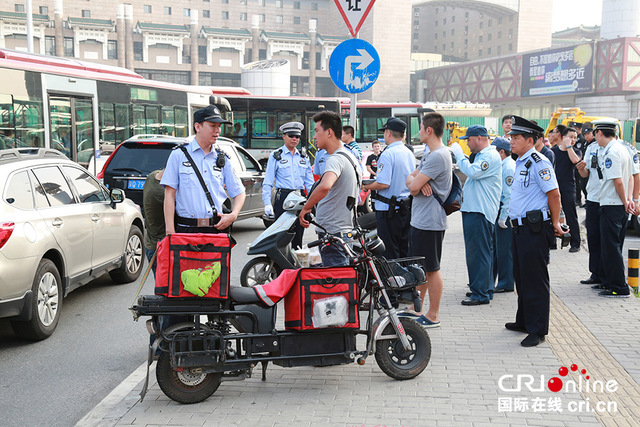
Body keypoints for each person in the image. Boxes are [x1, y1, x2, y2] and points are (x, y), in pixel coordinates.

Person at [506, 115, 566, 347]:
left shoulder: (539, 162)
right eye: (511, 137)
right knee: (521, 277)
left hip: (535, 228)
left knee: (535, 279)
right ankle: (524, 320)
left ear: (530, 140)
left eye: (516, 137)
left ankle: (538, 329)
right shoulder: (521, 160)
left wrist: (555, 223)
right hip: (519, 228)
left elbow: (554, 194)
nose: (511, 141)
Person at [161, 105, 246, 235]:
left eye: (219, 126)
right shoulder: (179, 155)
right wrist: (170, 231)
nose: (217, 130)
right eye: (212, 126)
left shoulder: (222, 158)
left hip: (215, 229)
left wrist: (233, 215)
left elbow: (239, 192)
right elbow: (169, 194)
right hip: (186, 230)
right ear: (198, 127)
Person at [405, 112, 452, 328]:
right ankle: (417, 308)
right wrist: (416, 181)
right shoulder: (430, 154)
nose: (419, 132)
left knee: (432, 268)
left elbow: (413, 186)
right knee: (422, 267)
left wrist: (416, 182)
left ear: (429, 130)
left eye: (421, 128)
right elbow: (410, 179)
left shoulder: (437, 156)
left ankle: (433, 315)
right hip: (421, 220)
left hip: (430, 221)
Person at [299, 111, 361, 267]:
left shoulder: (335, 158)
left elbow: (325, 186)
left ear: (329, 132)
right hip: (343, 231)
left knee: (337, 285)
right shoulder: (349, 156)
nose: (314, 137)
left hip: (334, 235)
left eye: (316, 131)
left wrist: (306, 208)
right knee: (343, 281)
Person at [450, 125, 502, 306]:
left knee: (477, 254)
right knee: (483, 252)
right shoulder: (483, 156)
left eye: (468, 140)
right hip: (477, 209)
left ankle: (480, 293)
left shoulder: (489, 155)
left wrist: (458, 154)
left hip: (479, 211)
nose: (467, 144)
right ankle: (483, 289)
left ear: (479, 138)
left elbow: (472, 172)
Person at [592, 120, 634, 298]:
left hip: (612, 205)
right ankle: (609, 282)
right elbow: (631, 177)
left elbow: (618, 181)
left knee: (611, 248)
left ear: (600, 133)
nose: (595, 138)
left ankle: (619, 286)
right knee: (612, 246)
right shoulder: (623, 149)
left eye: (595, 134)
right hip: (618, 205)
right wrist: (630, 199)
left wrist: (625, 200)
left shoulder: (611, 153)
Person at [363, 117, 415, 259]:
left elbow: (383, 183)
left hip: (388, 211)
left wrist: (366, 186)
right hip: (404, 208)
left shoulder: (387, 154)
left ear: (388, 133)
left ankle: (393, 280)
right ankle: (405, 279)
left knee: (389, 252)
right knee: (404, 250)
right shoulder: (408, 152)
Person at [262, 121, 314, 249]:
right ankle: (280, 267)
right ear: (283, 136)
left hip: (300, 197)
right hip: (284, 197)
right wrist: (267, 203)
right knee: (281, 235)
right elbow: (268, 181)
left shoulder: (303, 156)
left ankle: (295, 265)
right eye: (291, 135)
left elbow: (310, 183)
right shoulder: (276, 156)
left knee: (298, 235)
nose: (294, 139)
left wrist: (313, 203)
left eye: (297, 136)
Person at [576, 125, 604, 286]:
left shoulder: (618, 149)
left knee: (606, 239)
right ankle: (595, 273)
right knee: (592, 236)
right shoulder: (592, 148)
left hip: (608, 200)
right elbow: (585, 173)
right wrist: (581, 169)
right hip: (593, 198)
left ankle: (607, 275)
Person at [551, 126, 582, 252]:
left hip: (568, 187)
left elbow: (575, 160)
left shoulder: (575, 151)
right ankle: (552, 242)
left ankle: (575, 243)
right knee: (552, 215)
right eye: (570, 137)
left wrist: (569, 146)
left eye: (575, 137)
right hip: (554, 188)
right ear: (563, 137)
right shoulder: (553, 152)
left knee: (571, 215)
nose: (573, 140)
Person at [491, 137, 515, 294]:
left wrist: (503, 216)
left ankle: (506, 282)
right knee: (498, 249)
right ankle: (495, 280)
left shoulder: (508, 167)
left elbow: (508, 195)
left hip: (505, 212)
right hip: (499, 210)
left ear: (501, 152)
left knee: (505, 250)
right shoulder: (502, 165)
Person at [571, 122, 588, 207]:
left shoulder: (582, 140)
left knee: (581, 184)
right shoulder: (574, 140)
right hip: (574, 165)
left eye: (576, 129)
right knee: (576, 183)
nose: (575, 130)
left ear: (580, 130)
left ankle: (584, 199)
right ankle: (577, 199)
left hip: (580, 165)